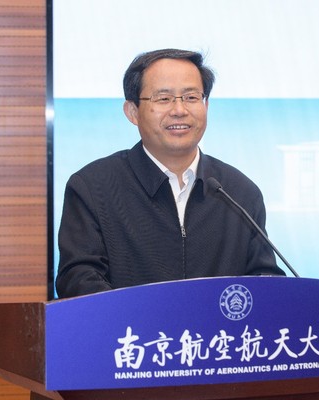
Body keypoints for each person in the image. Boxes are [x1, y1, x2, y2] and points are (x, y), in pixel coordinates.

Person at [55, 48, 285, 298]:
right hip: (131, 325)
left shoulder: (239, 192)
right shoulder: (92, 187)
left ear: (206, 105)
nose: (179, 110)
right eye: (163, 98)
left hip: (214, 326)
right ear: (132, 112)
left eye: (191, 97)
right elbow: (78, 280)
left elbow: (265, 282)